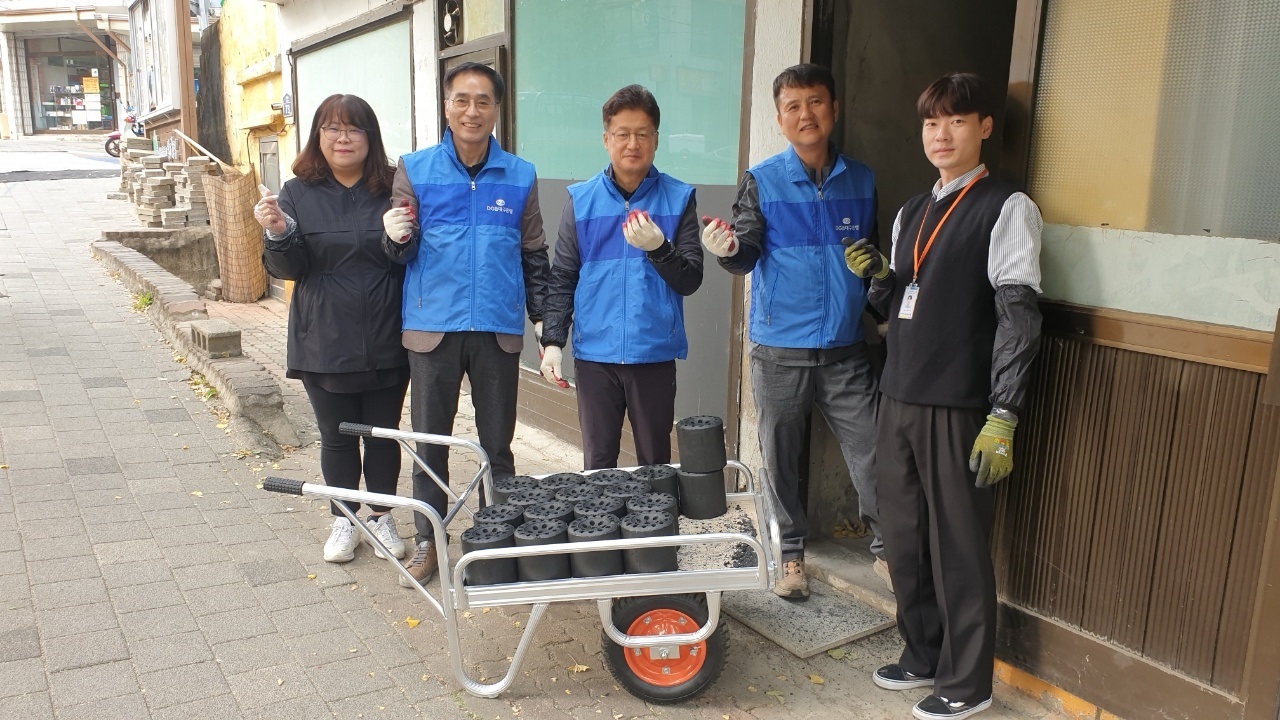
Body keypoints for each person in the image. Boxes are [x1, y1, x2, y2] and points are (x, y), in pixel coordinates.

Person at [853, 73, 1042, 720]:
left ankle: (968, 682)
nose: (942, 134)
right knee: (904, 538)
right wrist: (881, 279)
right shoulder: (912, 210)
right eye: (932, 122)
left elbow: (1019, 316)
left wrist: (1004, 412)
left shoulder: (1006, 207)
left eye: (957, 121)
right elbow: (901, 303)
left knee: (958, 545)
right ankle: (924, 652)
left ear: (984, 127)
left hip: (959, 404)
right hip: (899, 394)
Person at [700, 63, 884, 600]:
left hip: (846, 348)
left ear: (834, 109)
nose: (806, 114)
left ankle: (888, 552)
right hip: (780, 348)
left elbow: (872, 259)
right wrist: (729, 250)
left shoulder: (862, 179)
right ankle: (789, 556)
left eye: (816, 102)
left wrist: (880, 304)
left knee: (874, 450)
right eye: (794, 106)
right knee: (780, 458)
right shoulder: (763, 180)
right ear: (779, 119)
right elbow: (747, 249)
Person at [382, 62, 551, 587]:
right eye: (462, 99)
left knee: (497, 446)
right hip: (432, 329)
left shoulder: (520, 175)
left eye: (483, 101)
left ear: (497, 109)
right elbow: (399, 251)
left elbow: (534, 256)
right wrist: (393, 235)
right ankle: (429, 542)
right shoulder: (415, 169)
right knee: (430, 442)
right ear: (447, 106)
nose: (472, 111)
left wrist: (544, 323)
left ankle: (498, 543)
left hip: (497, 329)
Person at [255, 94, 410, 564]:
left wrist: (399, 237)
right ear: (318, 136)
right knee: (337, 436)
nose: (343, 138)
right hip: (323, 337)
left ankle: (381, 516)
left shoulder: (393, 187)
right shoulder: (297, 192)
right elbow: (288, 268)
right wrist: (278, 231)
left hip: (386, 334)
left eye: (354, 129)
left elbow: (408, 258)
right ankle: (344, 517)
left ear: (370, 136)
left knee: (382, 434)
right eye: (332, 129)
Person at [538, 85, 703, 469]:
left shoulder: (678, 198)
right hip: (595, 356)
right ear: (606, 139)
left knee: (655, 466)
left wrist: (659, 248)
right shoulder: (581, 200)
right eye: (623, 134)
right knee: (598, 465)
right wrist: (554, 342)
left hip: (653, 353)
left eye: (643, 134)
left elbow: (690, 279)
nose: (633, 143)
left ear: (656, 140)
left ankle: (654, 513)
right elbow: (563, 276)